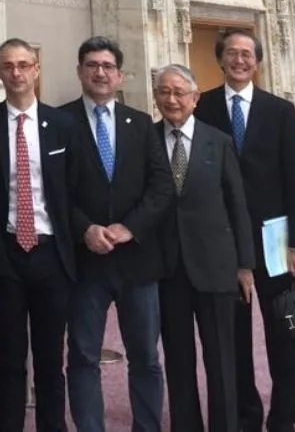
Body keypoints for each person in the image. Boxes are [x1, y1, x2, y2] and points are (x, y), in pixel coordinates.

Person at [194, 29, 295, 432]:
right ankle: (243, 415)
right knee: (233, 336)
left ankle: (284, 415)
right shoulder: (203, 106)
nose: (240, 60)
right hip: (224, 241)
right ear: (221, 59)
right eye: (232, 53)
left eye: (247, 53)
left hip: (275, 241)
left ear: (257, 60)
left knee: (284, 330)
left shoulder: (280, 110)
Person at [60, 36, 174, 432]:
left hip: (138, 262)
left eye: (108, 66)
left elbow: (162, 187)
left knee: (145, 357)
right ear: (79, 72)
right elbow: (53, 191)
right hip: (85, 262)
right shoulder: (59, 122)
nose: (100, 72)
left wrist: (130, 227)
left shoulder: (141, 124)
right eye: (92, 64)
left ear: (120, 74)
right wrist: (84, 228)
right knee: (83, 357)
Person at [0, 38, 77, 432]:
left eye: (23, 64)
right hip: (5, 255)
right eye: (7, 65)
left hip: (51, 256)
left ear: (36, 69)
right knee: (9, 358)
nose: (16, 72)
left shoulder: (63, 124)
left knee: (51, 359)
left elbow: (73, 191)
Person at [153, 63, 255, 432]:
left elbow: (237, 205)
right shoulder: (146, 141)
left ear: (195, 98)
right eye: (164, 91)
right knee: (179, 360)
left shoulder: (219, 141)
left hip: (216, 267)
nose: (172, 99)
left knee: (221, 359)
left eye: (180, 92)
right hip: (168, 269)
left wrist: (245, 265)